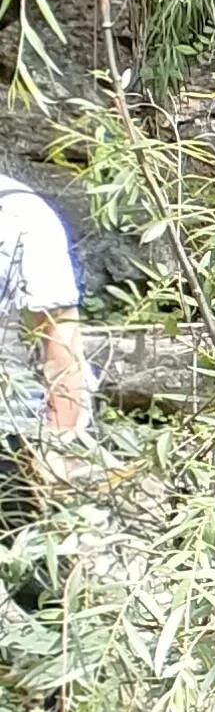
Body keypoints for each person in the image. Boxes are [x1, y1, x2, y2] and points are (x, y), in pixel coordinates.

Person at [0, 166, 89, 554]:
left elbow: (60, 342)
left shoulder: (20, 214)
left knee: (37, 586)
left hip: (12, 438)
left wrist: (60, 447)